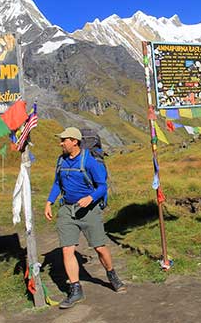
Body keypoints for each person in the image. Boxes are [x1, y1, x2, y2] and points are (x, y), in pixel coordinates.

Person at [44, 127, 126, 309]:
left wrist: (91, 197)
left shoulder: (89, 161)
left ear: (74, 141)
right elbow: (57, 183)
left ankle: (112, 274)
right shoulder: (61, 160)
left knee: (100, 248)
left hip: (89, 210)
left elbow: (102, 186)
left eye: (64, 140)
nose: (61, 143)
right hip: (67, 209)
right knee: (67, 249)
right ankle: (75, 290)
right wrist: (49, 202)